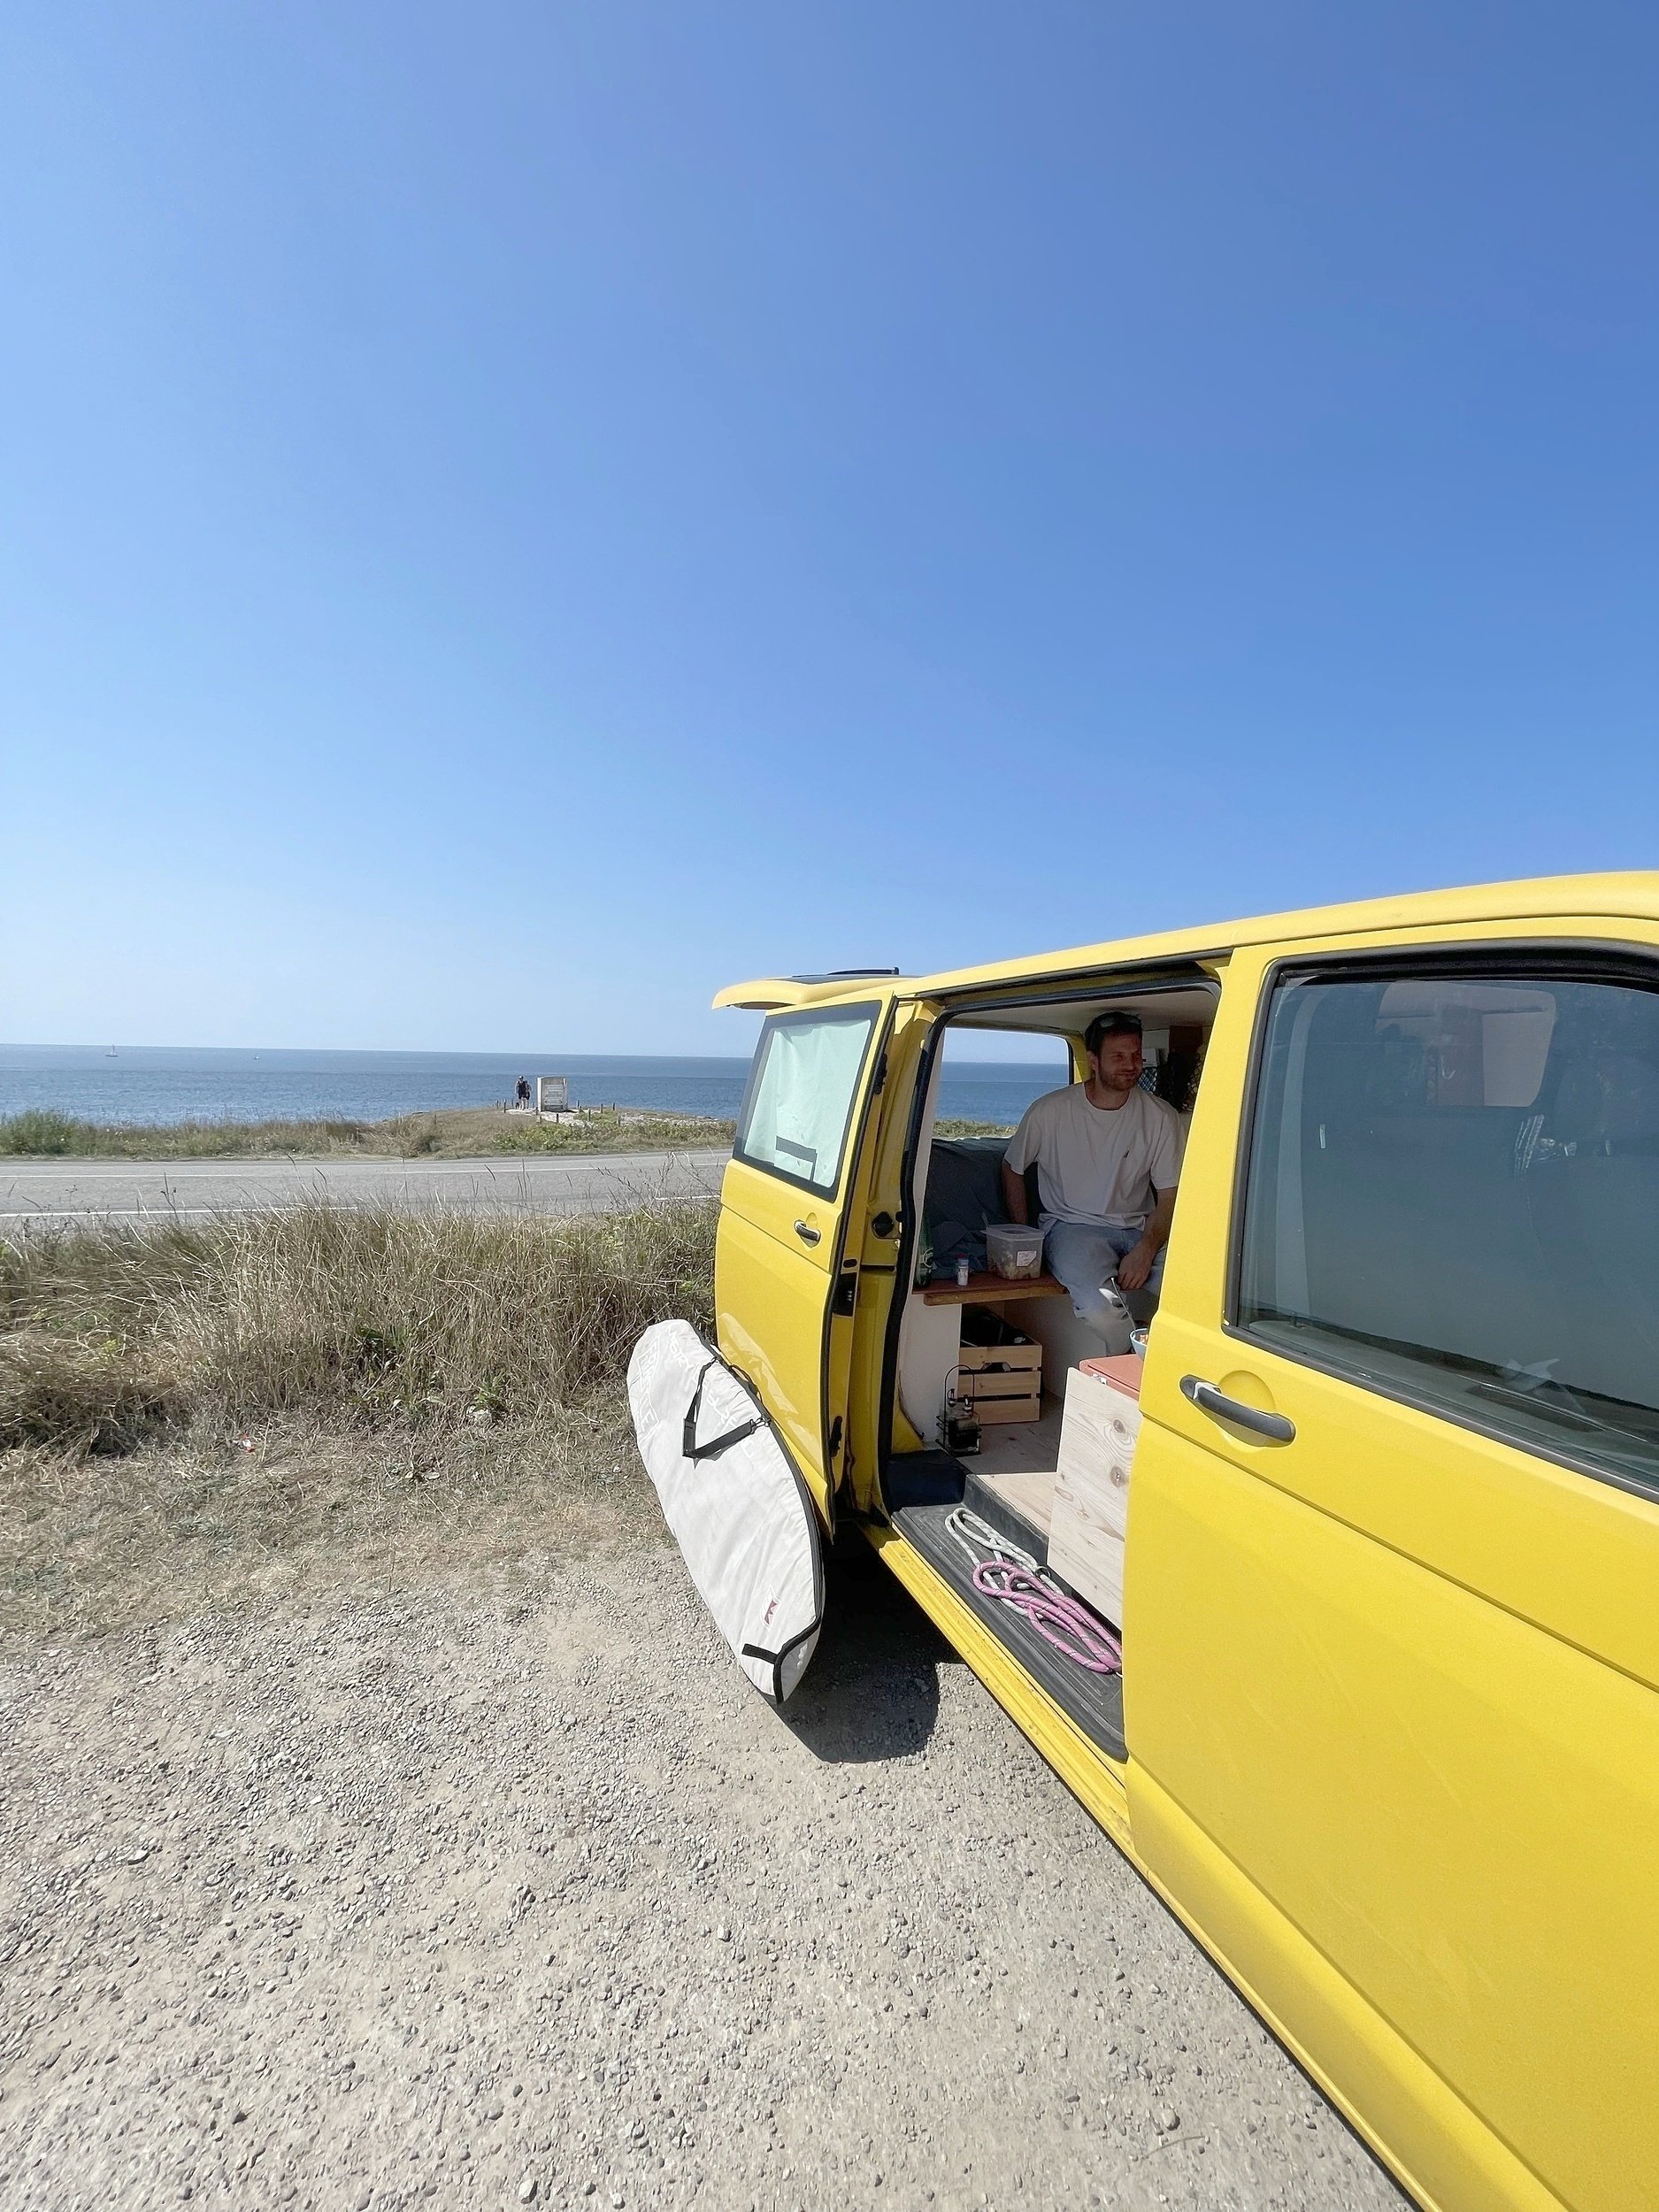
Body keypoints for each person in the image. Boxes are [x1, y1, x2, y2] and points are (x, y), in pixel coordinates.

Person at [999, 1010, 1183, 1328]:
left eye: (1135, 1055)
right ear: (1093, 1061)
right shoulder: (1050, 1111)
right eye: (1118, 1056)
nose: (1130, 1065)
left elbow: (1169, 1196)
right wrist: (1026, 1237)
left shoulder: (1161, 1117)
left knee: (1197, 1292)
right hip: (1072, 1228)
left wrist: (1145, 1249)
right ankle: (1131, 1353)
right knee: (1101, 1309)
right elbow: (1012, 1168)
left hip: (1140, 1229)